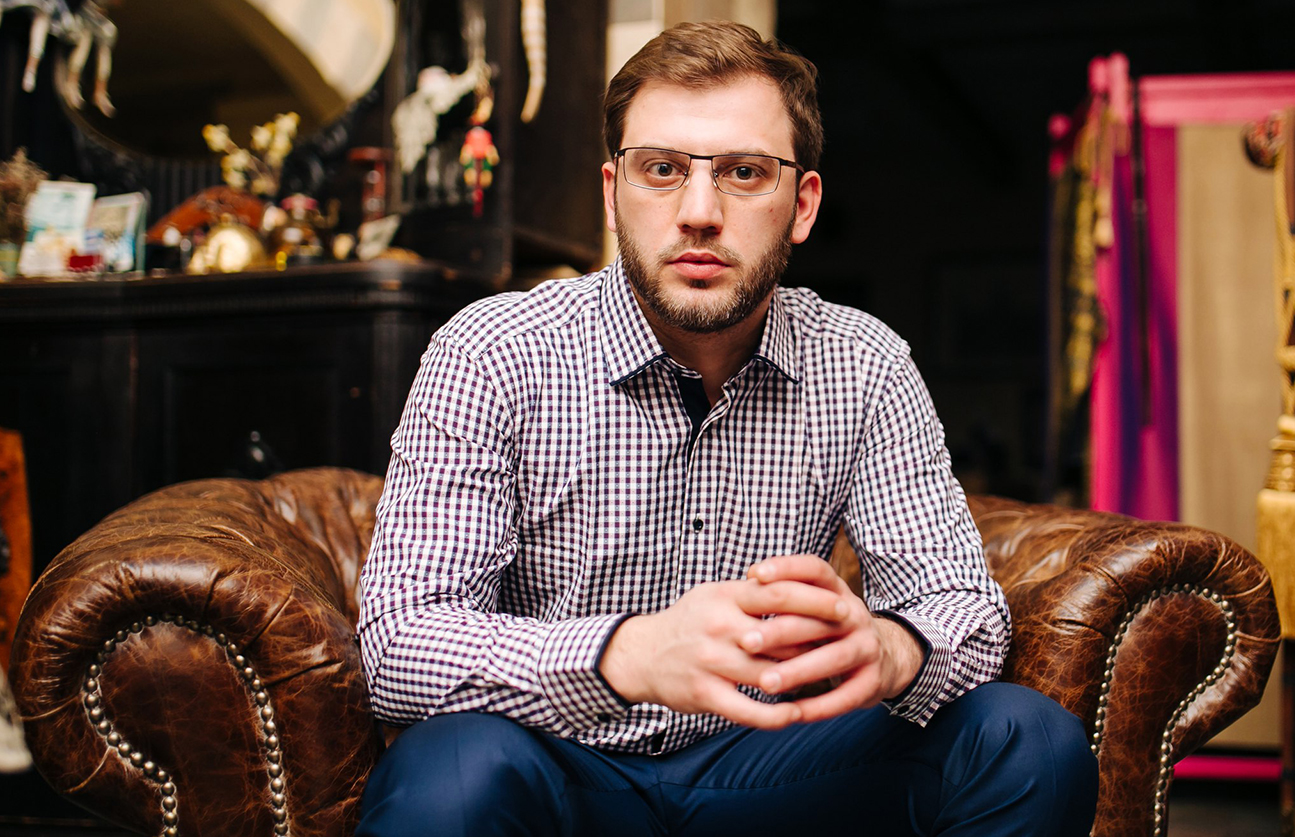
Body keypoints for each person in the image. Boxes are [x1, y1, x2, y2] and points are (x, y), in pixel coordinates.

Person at [355, 20, 1097, 837]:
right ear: (612, 193)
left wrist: (890, 649)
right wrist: (628, 655)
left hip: (771, 764)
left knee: (1027, 740)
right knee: (450, 776)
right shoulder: (492, 351)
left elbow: (964, 610)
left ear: (802, 205)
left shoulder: (864, 364)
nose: (699, 213)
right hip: (554, 763)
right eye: (661, 169)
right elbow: (402, 644)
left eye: (745, 173)